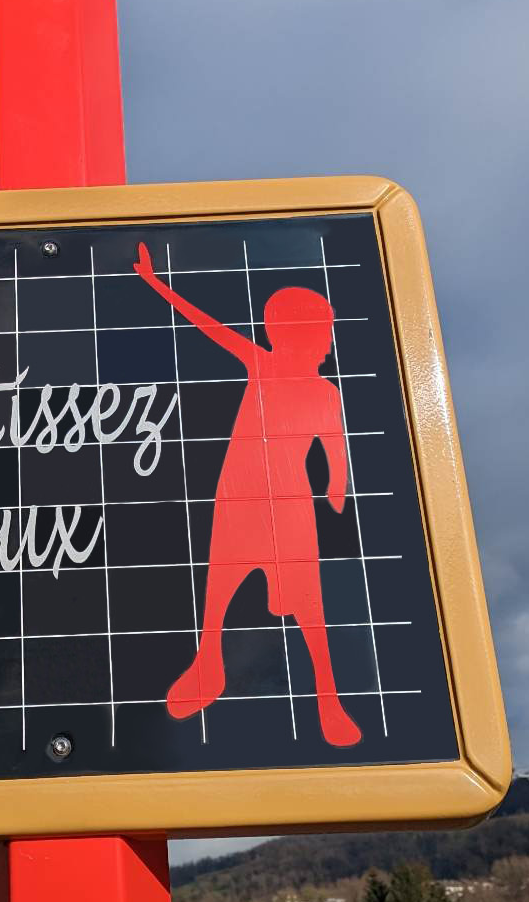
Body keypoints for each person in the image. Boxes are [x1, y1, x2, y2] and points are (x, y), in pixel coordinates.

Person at [133, 241, 361, 746]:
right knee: (219, 589)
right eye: (323, 334)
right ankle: (207, 666)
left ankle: (328, 699)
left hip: (291, 507)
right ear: (295, 336)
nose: (329, 345)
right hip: (239, 499)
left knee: (309, 606)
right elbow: (208, 326)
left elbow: (335, 446)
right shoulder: (263, 364)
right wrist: (153, 282)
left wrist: (337, 490)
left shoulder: (326, 392)